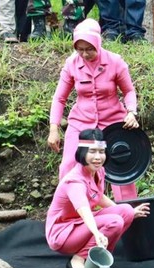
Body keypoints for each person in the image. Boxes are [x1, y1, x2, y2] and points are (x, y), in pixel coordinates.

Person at [48, 18, 140, 202]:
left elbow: (128, 91)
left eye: (89, 49)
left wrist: (131, 112)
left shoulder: (115, 62)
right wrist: (53, 128)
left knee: (120, 167)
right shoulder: (72, 64)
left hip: (112, 121)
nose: (84, 54)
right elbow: (59, 98)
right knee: (69, 165)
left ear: (98, 43)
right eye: (79, 49)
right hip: (81, 122)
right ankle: (70, 211)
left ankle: (129, 213)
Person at [45, 128, 149, 268]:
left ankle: (100, 259)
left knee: (125, 211)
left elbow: (98, 197)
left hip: (80, 224)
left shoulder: (98, 171)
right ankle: (78, 259)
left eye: (101, 152)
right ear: (82, 152)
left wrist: (129, 213)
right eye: (92, 151)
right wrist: (96, 232)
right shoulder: (74, 181)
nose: (98, 157)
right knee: (115, 221)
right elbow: (84, 210)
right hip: (64, 234)